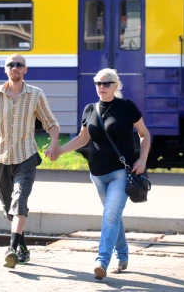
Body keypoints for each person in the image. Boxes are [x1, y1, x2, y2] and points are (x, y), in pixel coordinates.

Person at [0, 54, 60, 268]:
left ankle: (12, 248)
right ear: (5, 70)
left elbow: (50, 122)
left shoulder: (36, 94)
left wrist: (54, 143)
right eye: (10, 65)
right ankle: (23, 247)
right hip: (0, 157)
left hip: (26, 157)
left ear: (25, 70)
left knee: (19, 202)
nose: (14, 67)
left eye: (19, 65)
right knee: (9, 208)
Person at [55, 68, 150, 280]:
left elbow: (144, 134)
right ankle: (123, 255)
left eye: (106, 83)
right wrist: (59, 151)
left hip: (120, 173)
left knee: (109, 216)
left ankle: (102, 261)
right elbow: (82, 139)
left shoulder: (127, 107)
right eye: (98, 83)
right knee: (113, 216)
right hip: (97, 174)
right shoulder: (90, 109)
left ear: (116, 86)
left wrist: (142, 160)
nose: (101, 87)